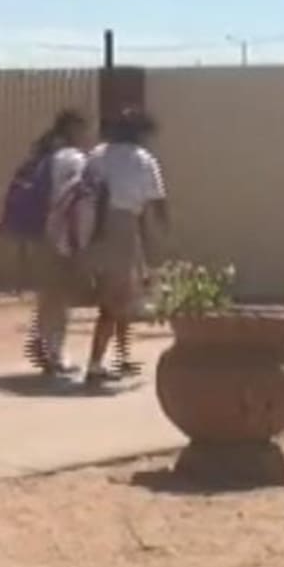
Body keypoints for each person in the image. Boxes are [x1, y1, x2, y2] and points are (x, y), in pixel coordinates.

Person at [83, 110, 169, 386]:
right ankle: (95, 364)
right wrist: (163, 233)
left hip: (94, 230)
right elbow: (157, 201)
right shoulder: (143, 160)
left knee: (121, 297)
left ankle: (120, 356)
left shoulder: (97, 155)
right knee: (115, 302)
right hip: (123, 229)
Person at [24, 109, 91, 376]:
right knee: (59, 298)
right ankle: (54, 354)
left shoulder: (43, 156)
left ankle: (44, 346)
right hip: (62, 236)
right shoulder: (73, 159)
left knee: (48, 296)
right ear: (74, 130)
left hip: (39, 233)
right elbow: (76, 199)